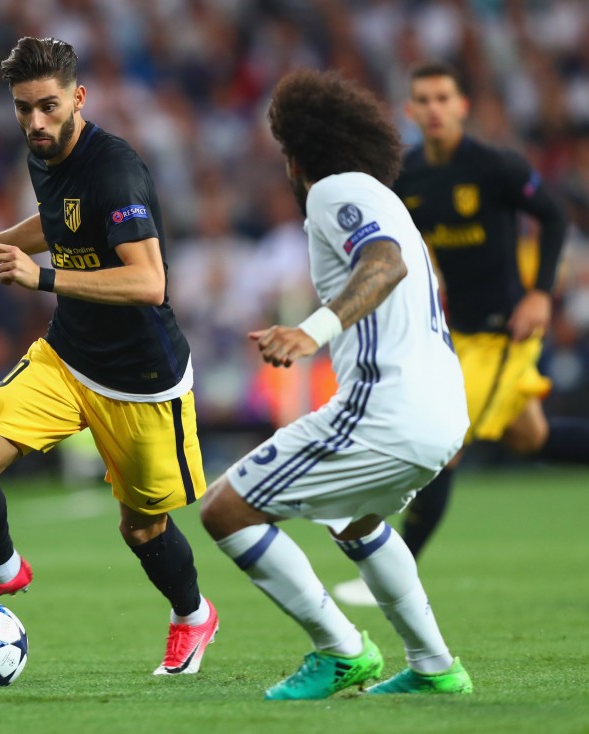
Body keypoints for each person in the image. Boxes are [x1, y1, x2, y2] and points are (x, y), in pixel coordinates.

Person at [0, 37, 218, 676]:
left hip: (142, 379)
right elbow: (54, 223)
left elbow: (149, 282)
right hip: (66, 357)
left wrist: (38, 279)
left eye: (47, 107)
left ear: (78, 98)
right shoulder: (45, 155)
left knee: (142, 530)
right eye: (22, 109)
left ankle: (192, 615)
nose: (34, 122)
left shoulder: (114, 169)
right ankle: (4, 572)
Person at [333, 61, 589, 607]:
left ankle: (392, 580)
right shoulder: (410, 178)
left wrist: (541, 292)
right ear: (410, 111)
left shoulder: (495, 166)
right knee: (533, 438)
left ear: (461, 106)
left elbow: (555, 218)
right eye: (422, 99)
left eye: (442, 98)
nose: (433, 108)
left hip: (507, 331)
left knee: (447, 441)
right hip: (460, 334)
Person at [199, 68, 473, 699]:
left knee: (225, 510)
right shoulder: (384, 197)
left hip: (386, 410)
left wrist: (311, 332)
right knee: (356, 519)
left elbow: (386, 264)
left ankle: (340, 649)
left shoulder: (335, 191)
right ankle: (435, 667)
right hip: (440, 413)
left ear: (296, 156)